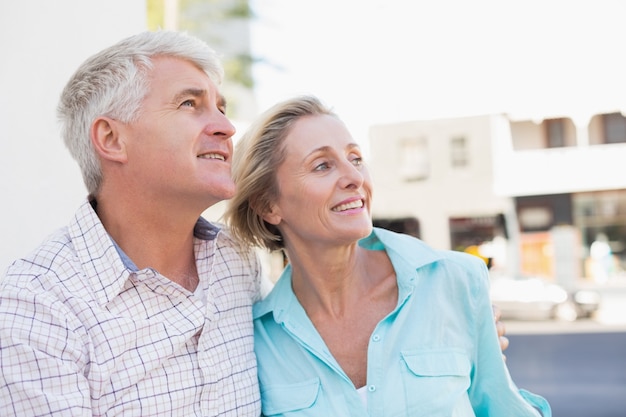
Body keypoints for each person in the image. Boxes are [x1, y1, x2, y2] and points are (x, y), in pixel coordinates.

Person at [224, 95, 551, 416]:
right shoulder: (259, 340)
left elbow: (503, 408)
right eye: (322, 165)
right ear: (269, 205)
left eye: (355, 158)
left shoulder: (455, 281)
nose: (355, 178)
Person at [0, 31, 262, 415]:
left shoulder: (238, 260)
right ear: (111, 138)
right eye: (190, 103)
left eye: (220, 108)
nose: (226, 127)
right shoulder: (35, 309)